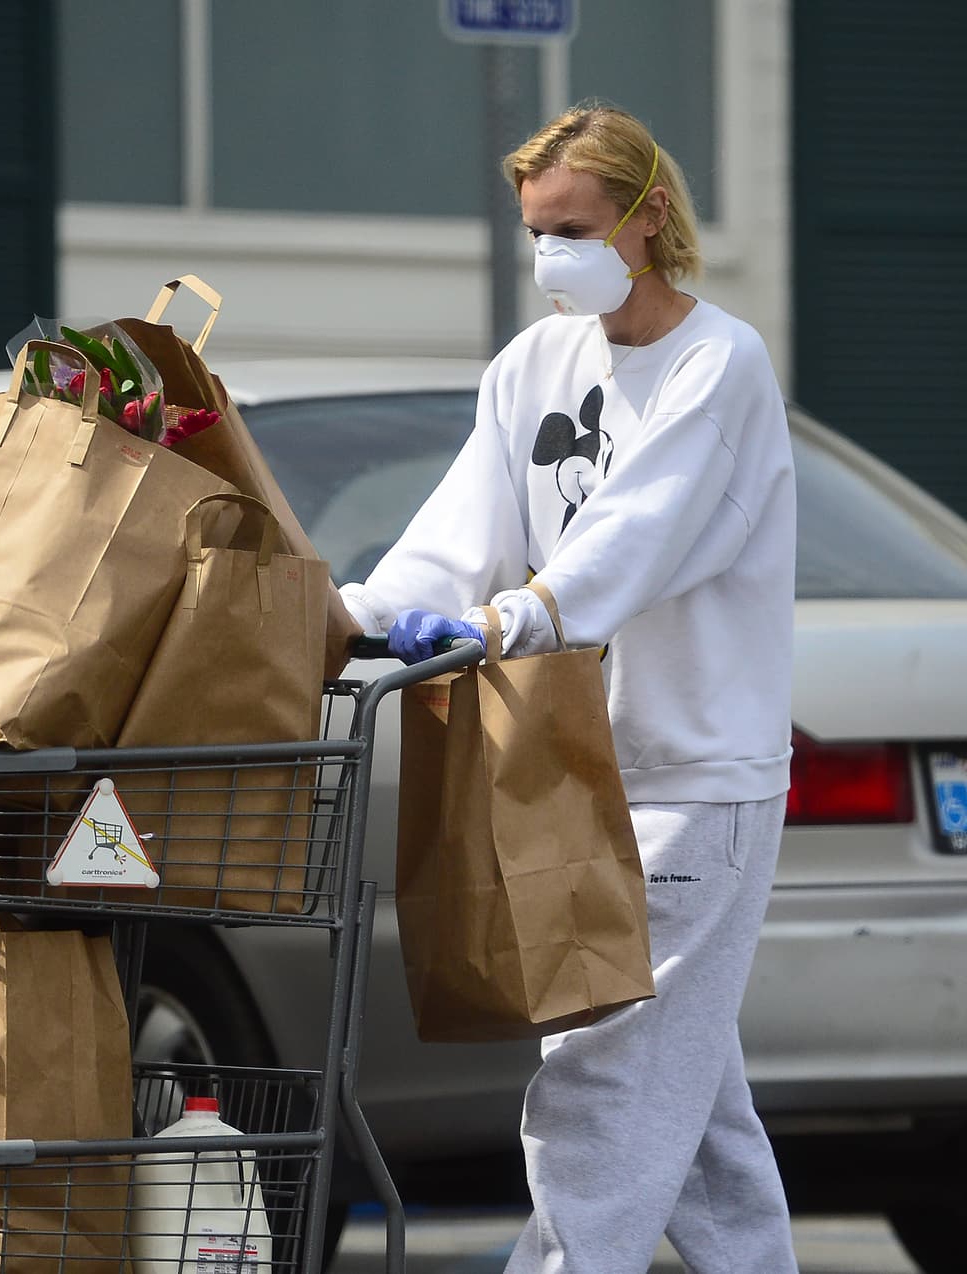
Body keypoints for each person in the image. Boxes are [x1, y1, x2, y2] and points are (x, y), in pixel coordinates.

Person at [341, 105, 799, 1274]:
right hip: (576, 772)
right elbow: (459, 529)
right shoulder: (533, 362)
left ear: (647, 217)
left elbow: (635, 535)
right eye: (535, 231)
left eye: (572, 228)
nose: (551, 257)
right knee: (689, 1112)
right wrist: (359, 615)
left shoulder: (718, 364)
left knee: (602, 1072)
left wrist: (511, 618)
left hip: (694, 778)